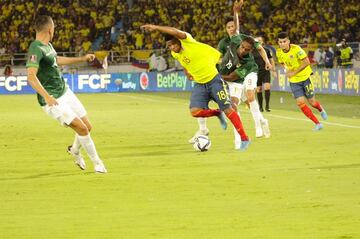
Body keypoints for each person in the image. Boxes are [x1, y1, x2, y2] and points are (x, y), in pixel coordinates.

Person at [140, 23, 251, 150]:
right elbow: (185, 62)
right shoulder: (174, 53)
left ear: (179, 41)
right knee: (195, 112)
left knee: (228, 109)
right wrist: (187, 71)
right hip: (200, 84)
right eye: (169, 46)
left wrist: (156, 28)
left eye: (173, 44)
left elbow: (175, 32)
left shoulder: (187, 40)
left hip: (214, 81)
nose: (171, 47)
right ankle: (217, 113)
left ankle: (244, 138)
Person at [26, 15, 107, 173]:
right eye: (54, 28)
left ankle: (74, 150)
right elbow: (30, 76)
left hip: (65, 91)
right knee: (82, 129)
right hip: (53, 100)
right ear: (50, 29)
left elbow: (57, 60)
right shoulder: (35, 48)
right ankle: (98, 164)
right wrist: (47, 97)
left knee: (87, 127)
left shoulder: (48, 45)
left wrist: (81, 59)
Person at [189, 0, 271, 146]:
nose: (232, 29)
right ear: (226, 29)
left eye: (233, 26)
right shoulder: (228, 42)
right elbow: (217, 58)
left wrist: (267, 62)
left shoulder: (244, 44)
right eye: (229, 27)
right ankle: (203, 129)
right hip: (222, 76)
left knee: (238, 103)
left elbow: (233, 75)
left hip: (238, 78)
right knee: (203, 103)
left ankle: (244, 135)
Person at [276, 32, 328, 131]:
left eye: (284, 41)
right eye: (280, 42)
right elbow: (282, 63)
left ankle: (321, 109)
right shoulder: (279, 52)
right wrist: (286, 70)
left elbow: (307, 62)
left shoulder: (296, 49)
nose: (282, 44)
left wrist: (294, 72)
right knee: (300, 103)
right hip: (294, 81)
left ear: (288, 41)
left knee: (312, 102)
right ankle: (317, 123)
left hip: (305, 78)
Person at [253, 36, 276, 112]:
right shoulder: (252, 51)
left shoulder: (267, 50)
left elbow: (271, 60)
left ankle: (267, 106)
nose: (258, 41)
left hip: (266, 71)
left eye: (260, 40)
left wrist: (273, 70)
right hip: (256, 72)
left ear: (262, 42)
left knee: (267, 87)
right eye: (257, 40)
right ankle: (260, 107)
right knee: (259, 89)